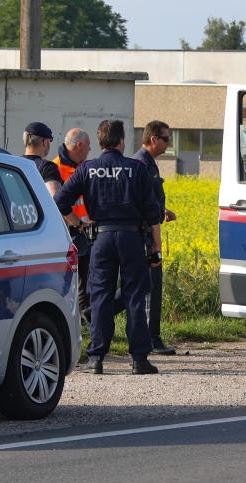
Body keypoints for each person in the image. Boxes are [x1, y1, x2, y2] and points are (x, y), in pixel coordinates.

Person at [55, 119, 162, 375]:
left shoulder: (87, 169)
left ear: (100, 142)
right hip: (132, 239)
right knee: (134, 295)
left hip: (100, 239)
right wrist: (155, 248)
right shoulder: (136, 169)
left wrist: (79, 224)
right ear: (121, 141)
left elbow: (60, 200)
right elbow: (153, 213)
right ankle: (138, 359)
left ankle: (96, 358)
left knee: (101, 296)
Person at [130, 120, 178, 356]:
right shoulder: (141, 164)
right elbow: (140, 204)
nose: (168, 144)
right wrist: (154, 239)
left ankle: (150, 336)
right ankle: (150, 338)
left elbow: (150, 200)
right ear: (153, 140)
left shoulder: (149, 164)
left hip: (148, 230)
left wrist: (163, 212)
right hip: (145, 236)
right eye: (166, 139)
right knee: (149, 284)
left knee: (148, 285)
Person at [54, 128, 94, 322]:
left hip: (85, 230)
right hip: (70, 231)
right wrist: (78, 224)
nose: (90, 149)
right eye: (87, 146)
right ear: (79, 145)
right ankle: (81, 322)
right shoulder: (56, 168)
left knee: (85, 281)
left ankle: (83, 321)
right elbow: (59, 202)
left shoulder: (83, 166)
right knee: (77, 282)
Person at [24, 122, 81, 228]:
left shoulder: (13, 166)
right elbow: (57, 202)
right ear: (44, 142)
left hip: (18, 228)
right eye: (49, 141)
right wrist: (79, 224)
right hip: (40, 229)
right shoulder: (47, 168)